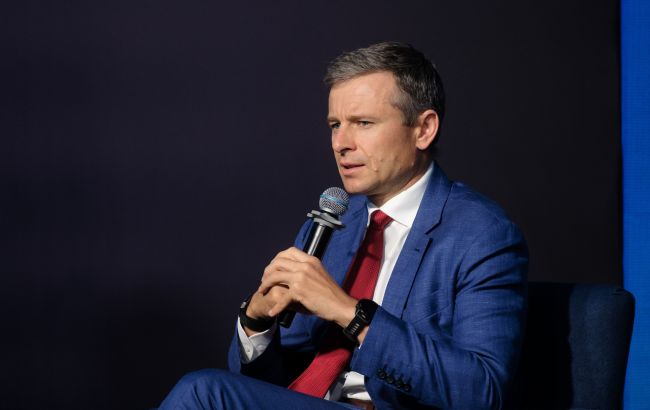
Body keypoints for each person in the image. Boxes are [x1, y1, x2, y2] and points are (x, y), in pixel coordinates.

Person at [159, 41, 528, 410]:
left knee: (203, 391)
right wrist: (256, 321)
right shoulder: (334, 223)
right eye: (335, 125)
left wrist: (350, 313)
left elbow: (482, 391)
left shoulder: (482, 233)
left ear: (424, 129)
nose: (341, 143)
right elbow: (271, 384)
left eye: (363, 123)